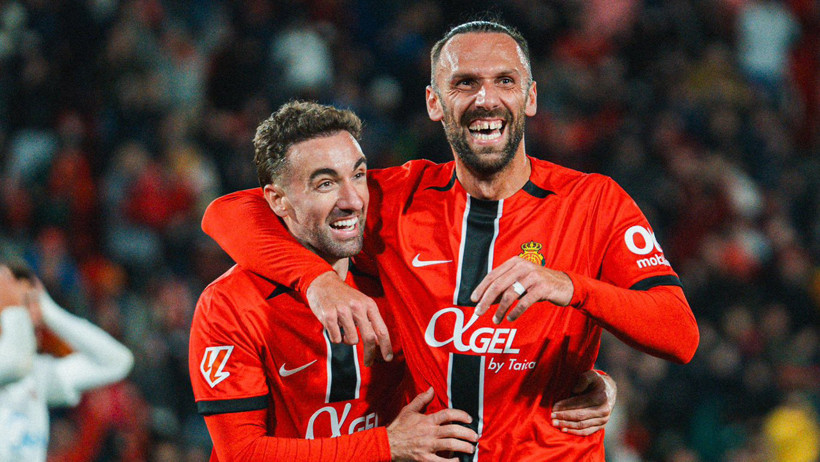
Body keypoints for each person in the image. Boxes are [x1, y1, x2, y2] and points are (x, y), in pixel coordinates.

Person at [202, 19, 695, 460]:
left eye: (505, 81)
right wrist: (317, 282)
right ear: (434, 103)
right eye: (465, 83)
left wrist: (570, 287)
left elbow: (679, 333)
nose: (487, 98)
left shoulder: (593, 203)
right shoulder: (397, 199)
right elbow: (229, 213)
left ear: (531, 97)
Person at [189, 101, 479, 461]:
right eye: (325, 183)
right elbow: (242, 454)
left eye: (358, 175)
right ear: (277, 200)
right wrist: (387, 445)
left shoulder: (395, 270)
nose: (353, 200)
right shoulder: (230, 304)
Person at [0, 262, 134, 462]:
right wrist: (14, 308)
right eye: (17, 301)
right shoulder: (18, 365)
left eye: (28, 300)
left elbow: (116, 362)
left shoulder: (37, 374)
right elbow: (16, 364)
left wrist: (49, 311)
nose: (27, 312)